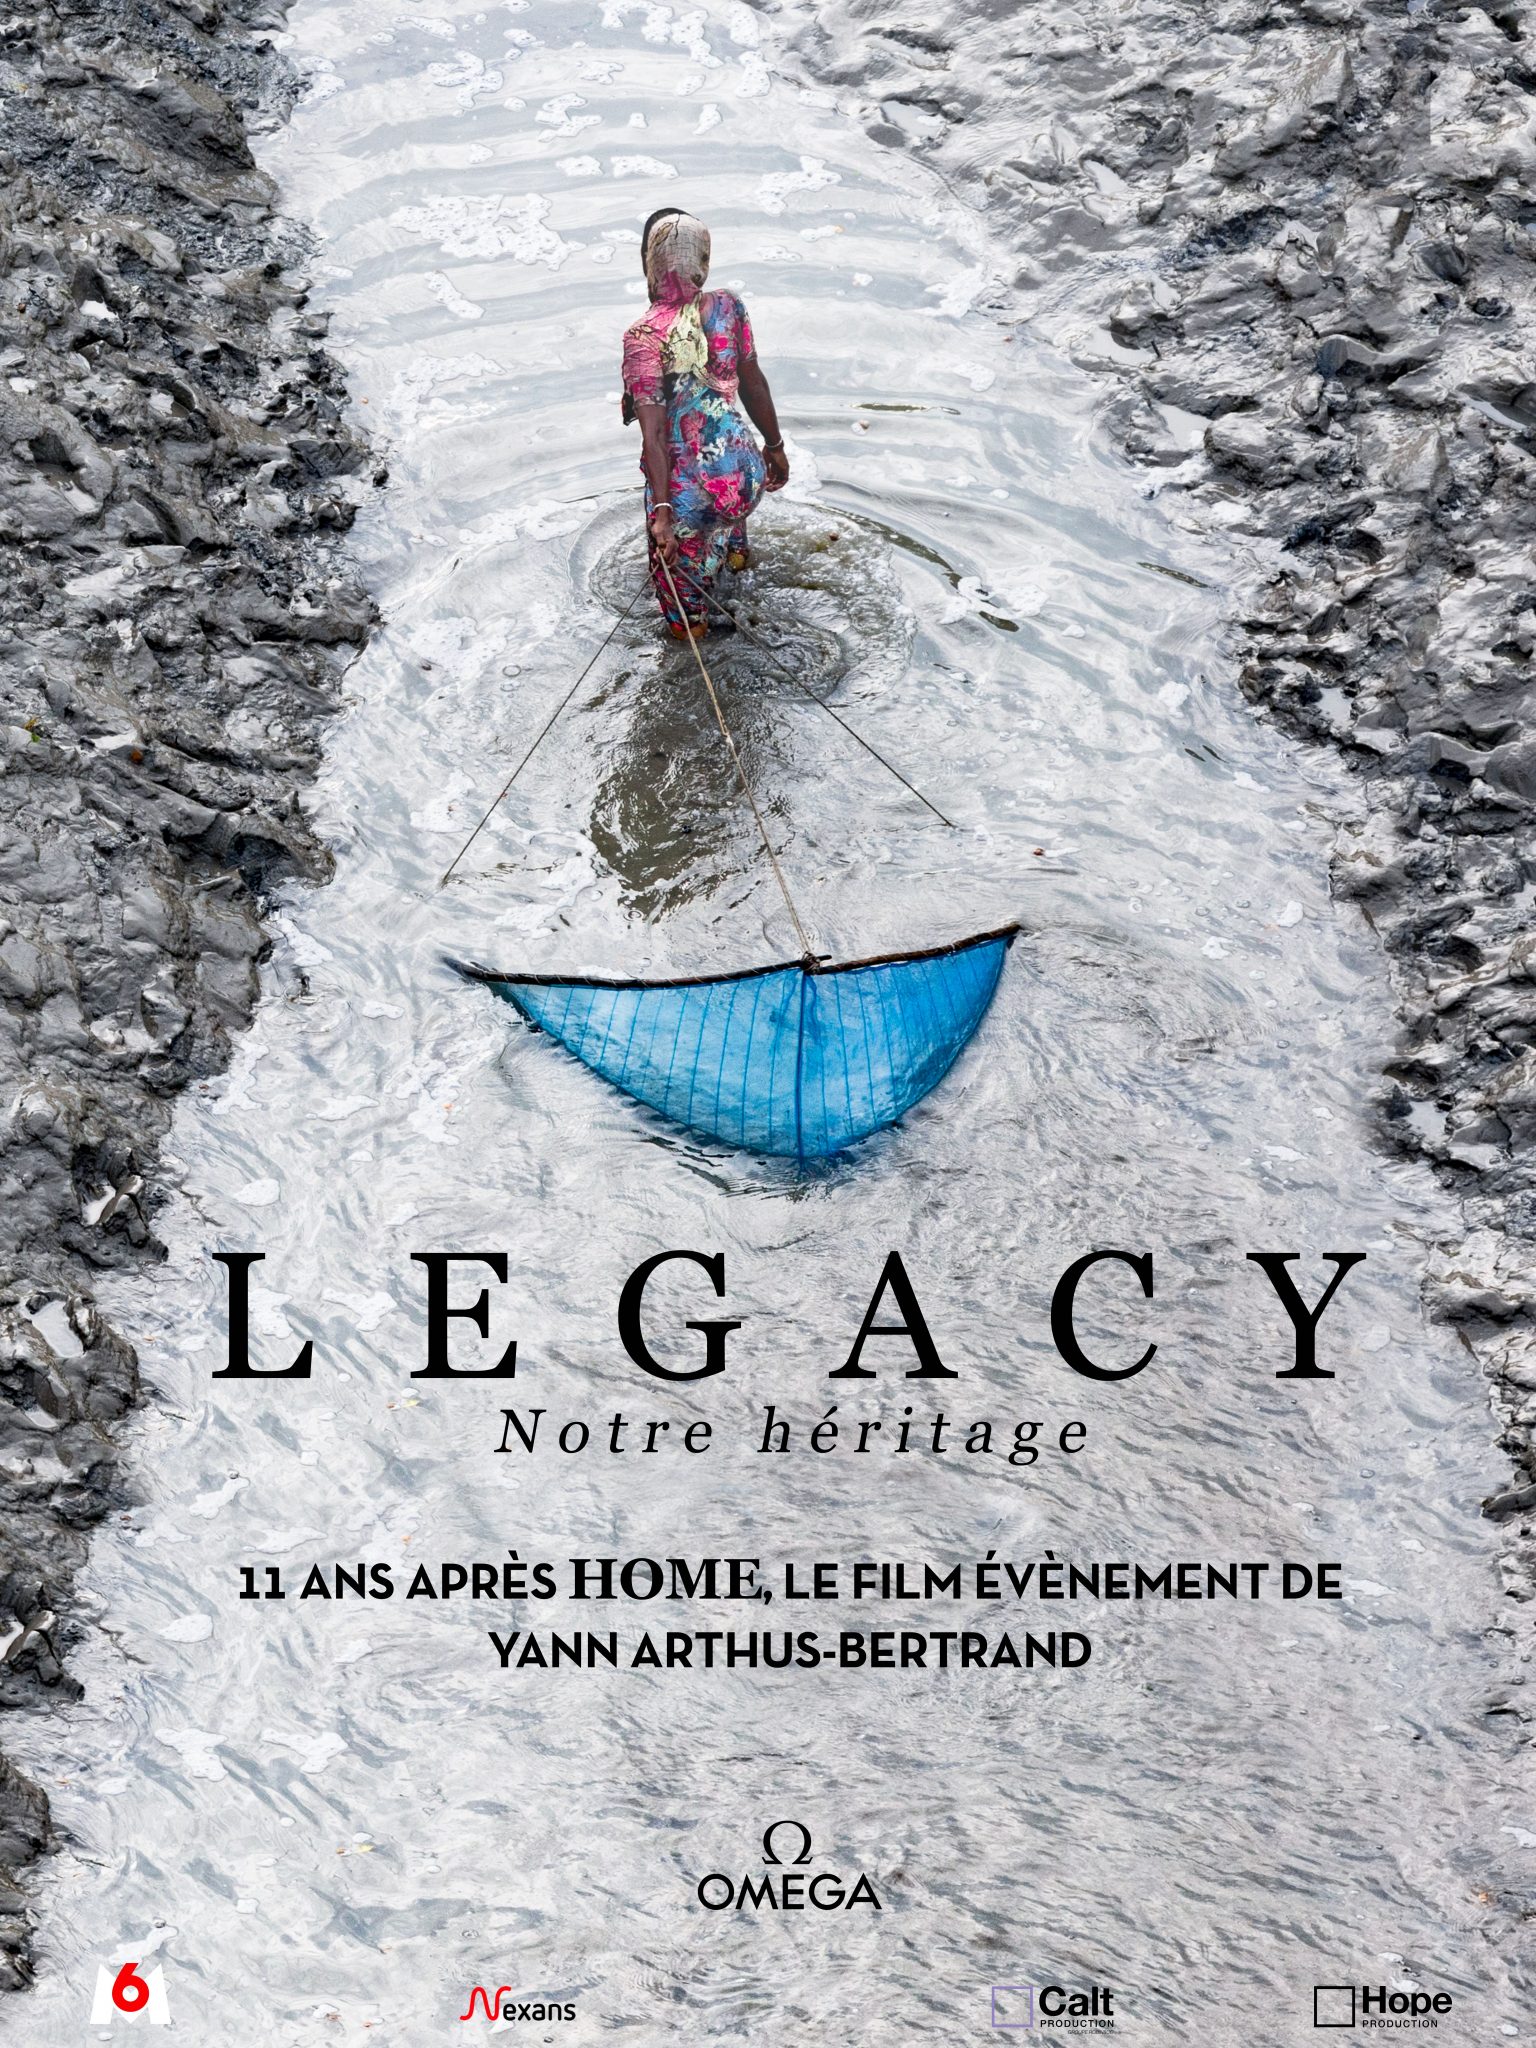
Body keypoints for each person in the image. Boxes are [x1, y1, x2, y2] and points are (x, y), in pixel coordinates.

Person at [621, 209, 789, 638]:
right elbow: (753, 380)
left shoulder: (643, 336)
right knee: (727, 520)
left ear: (650, 261)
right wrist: (774, 447)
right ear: (703, 261)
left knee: (681, 600)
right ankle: (736, 562)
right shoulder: (729, 306)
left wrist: (662, 515)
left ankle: (691, 626)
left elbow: (655, 436)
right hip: (743, 473)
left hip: (692, 492)